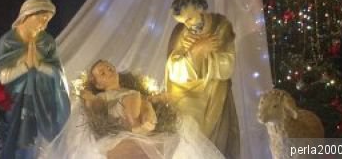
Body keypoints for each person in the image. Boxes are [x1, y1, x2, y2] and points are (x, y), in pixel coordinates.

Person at [43, 60, 224, 159]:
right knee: (135, 99)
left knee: (143, 101)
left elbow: (148, 99)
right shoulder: (106, 96)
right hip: (121, 117)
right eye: (102, 73)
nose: (108, 72)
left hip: (139, 113)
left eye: (109, 68)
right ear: (97, 84)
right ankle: (138, 124)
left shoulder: (131, 91)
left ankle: (146, 122)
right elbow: (96, 105)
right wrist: (89, 98)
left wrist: (159, 98)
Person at [164, 0, 239, 158]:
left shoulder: (221, 27)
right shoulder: (179, 32)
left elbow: (227, 65)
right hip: (186, 102)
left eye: (190, 18)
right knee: (188, 146)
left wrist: (205, 54)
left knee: (214, 145)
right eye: (183, 21)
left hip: (214, 98)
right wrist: (195, 52)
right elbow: (174, 71)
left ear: (200, 9)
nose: (187, 24)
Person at [0, 0, 70, 159]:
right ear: (28, 15)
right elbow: (1, 77)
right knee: (14, 141)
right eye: (42, 18)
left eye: (48, 20)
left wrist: (40, 65)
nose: (44, 24)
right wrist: (25, 66)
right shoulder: (8, 41)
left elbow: (57, 73)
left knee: (35, 145)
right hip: (15, 100)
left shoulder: (47, 41)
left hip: (42, 101)